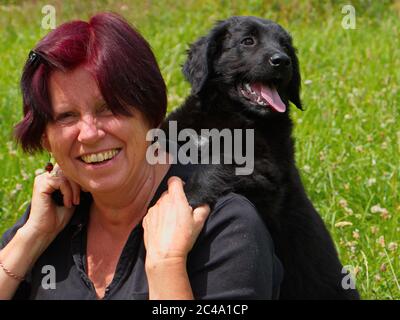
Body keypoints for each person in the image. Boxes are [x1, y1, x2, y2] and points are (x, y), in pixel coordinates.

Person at [0, 12, 283, 300]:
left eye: (108, 108)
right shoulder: (52, 218)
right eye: (66, 116)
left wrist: (167, 265)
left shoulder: (224, 227)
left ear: (150, 114)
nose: (89, 133)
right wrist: (29, 239)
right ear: (46, 137)